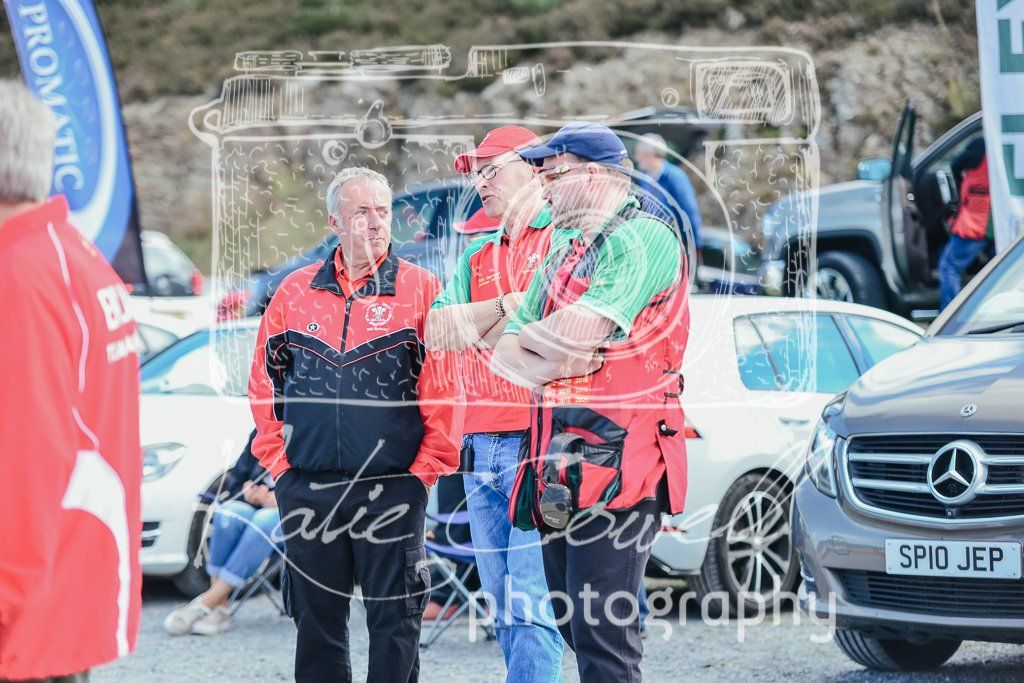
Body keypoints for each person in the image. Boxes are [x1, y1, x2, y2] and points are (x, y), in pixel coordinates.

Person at [249, 167, 463, 682]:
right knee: (316, 623)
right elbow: (264, 384)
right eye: (361, 212)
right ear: (335, 222)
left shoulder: (421, 288)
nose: (375, 222)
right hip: (308, 487)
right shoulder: (293, 291)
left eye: (382, 211)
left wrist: (422, 474)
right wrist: (281, 466)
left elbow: (445, 390)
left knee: (396, 623)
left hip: (393, 487)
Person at [492, 122, 690, 682]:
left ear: (596, 175)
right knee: (572, 625)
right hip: (558, 465)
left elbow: (579, 331)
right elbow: (506, 354)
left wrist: (549, 345)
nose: (542, 187)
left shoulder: (644, 238)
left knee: (604, 639)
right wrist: (557, 353)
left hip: (622, 466)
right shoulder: (564, 249)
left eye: (553, 174)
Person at [0, 80, 142, 682]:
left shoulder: (19, 273)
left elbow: (26, 459)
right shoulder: (72, 254)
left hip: (26, 620)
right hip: (63, 598)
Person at [425, 125, 569, 682]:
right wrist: (507, 306)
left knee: (531, 597)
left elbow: (549, 336)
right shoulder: (479, 253)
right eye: (477, 173)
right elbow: (437, 331)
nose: (481, 182)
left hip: (538, 444)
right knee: (502, 600)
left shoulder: (563, 240)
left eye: (492, 169)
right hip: (479, 443)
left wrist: (480, 322)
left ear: (533, 170)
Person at [163, 430, 283, 636]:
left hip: (293, 515)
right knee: (229, 513)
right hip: (254, 508)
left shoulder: (305, 429)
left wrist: (281, 498)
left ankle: (205, 602)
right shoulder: (262, 430)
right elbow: (235, 480)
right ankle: (220, 606)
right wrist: (249, 493)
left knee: (263, 521)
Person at [938, 136, 993, 309]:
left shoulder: (981, 144)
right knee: (1002, 268)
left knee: (949, 266)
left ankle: (949, 313)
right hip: (999, 222)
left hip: (976, 223)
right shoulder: (1004, 141)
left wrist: (961, 181)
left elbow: (955, 165)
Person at [634, 133, 703, 261]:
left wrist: (694, 245)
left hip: (676, 248)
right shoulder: (644, 179)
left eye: (639, 153)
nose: (636, 158)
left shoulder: (675, 177)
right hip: (653, 248)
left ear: (650, 154)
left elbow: (689, 211)